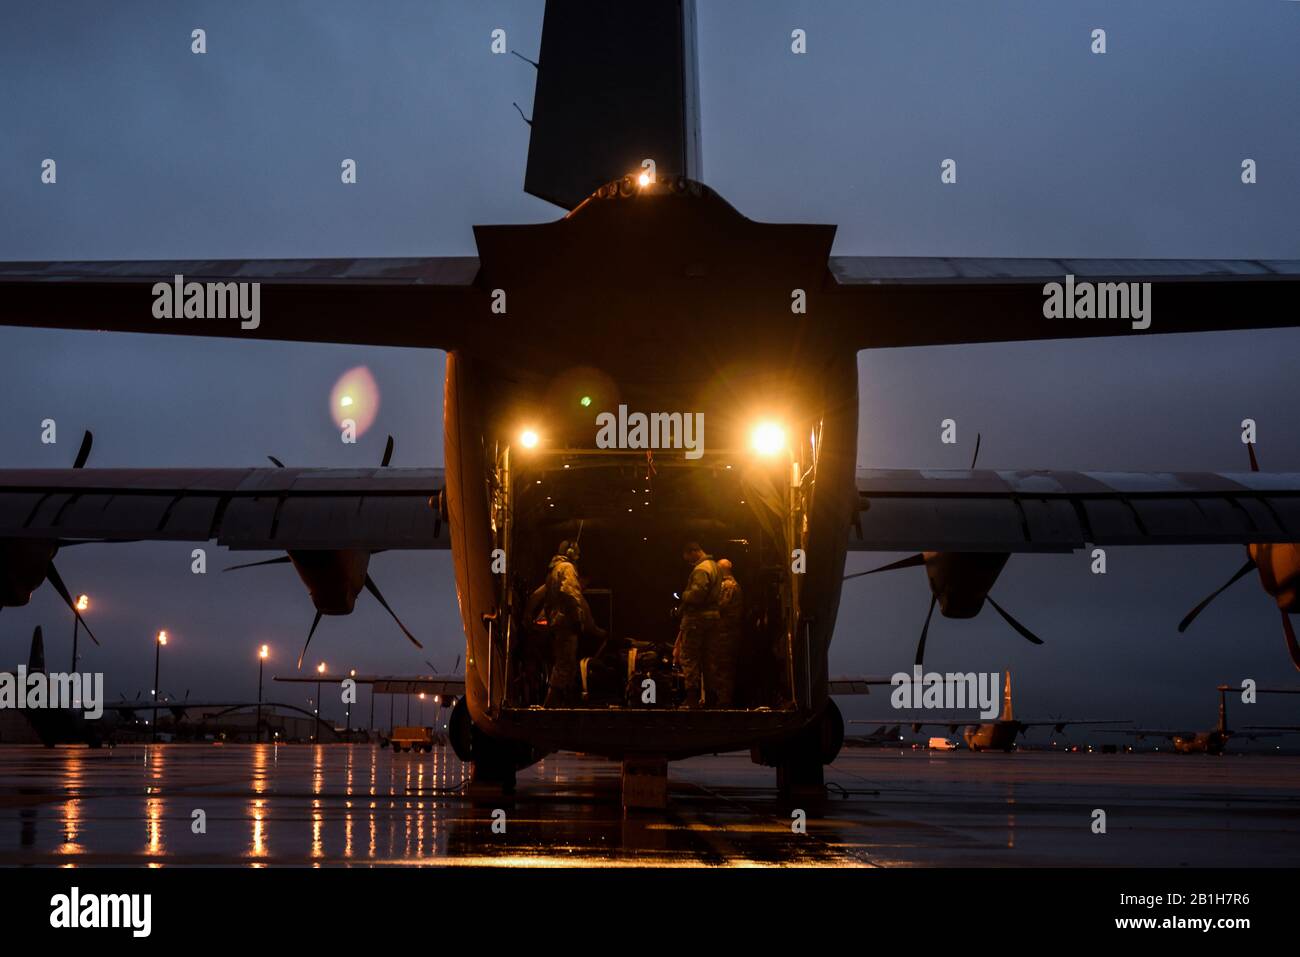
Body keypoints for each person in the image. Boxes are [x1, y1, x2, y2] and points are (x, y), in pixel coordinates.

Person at [525, 540, 600, 707]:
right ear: (571, 553)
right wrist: (576, 621)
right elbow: (570, 594)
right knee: (564, 666)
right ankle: (551, 706)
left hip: (557, 626)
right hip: (566, 626)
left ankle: (563, 704)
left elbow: (537, 596)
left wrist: (527, 614)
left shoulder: (554, 571)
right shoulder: (567, 569)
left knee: (566, 666)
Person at [676, 542, 722, 708]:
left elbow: (697, 594)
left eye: (688, 558)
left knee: (690, 658)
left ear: (694, 552)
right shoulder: (715, 566)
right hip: (713, 619)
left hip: (696, 620)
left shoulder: (701, 569)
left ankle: (692, 699)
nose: (689, 562)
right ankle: (712, 698)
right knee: (709, 659)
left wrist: (684, 595)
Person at [710, 558, 744, 708]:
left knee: (723, 667)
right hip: (728, 632)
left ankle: (724, 701)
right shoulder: (732, 584)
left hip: (725, 634)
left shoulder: (728, 585)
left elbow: (720, 605)